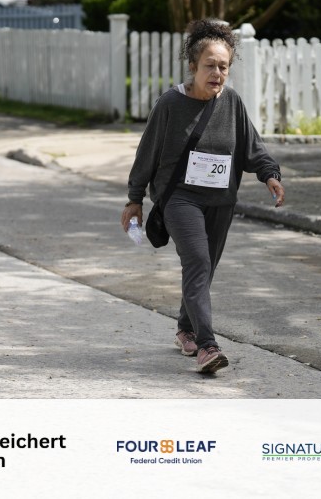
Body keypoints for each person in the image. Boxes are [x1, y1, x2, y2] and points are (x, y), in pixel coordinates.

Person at [122, 19, 285, 374]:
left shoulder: (232, 103)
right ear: (193, 66)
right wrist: (134, 199)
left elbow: (252, 148)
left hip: (221, 202)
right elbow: (147, 153)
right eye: (210, 65)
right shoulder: (170, 104)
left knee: (204, 268)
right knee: (197, 261)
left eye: (223, 67)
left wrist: (270, 174)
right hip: (180, 199)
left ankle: (186, 329)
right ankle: (208, 346)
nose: (217, 73)